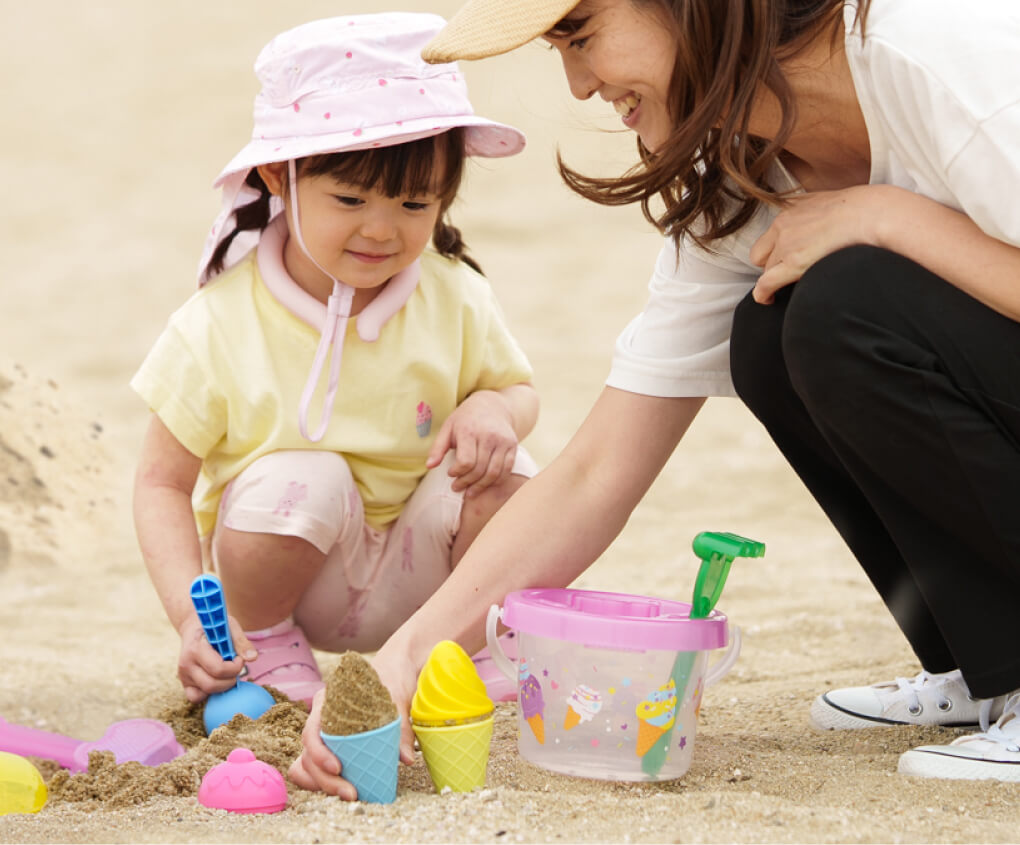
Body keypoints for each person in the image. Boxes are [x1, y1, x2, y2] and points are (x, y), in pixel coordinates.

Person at [290, 0, 1020, 794]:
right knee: (771, 331)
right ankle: (991, 664)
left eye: (582, 35)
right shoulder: (735, 174)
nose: (578, 84)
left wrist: (890, 217)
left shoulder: (935, 53)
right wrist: (403, 657)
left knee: (847, 306)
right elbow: (598, 467)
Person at [131, 13, 539, 716]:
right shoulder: (219, 322)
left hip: (431, 578)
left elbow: (518, 389)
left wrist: (494, 407)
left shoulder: (454, 294)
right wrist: (191, 618)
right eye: (349, 198)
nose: (381, 229)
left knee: (512, 472)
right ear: (279, 177)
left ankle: (468, 645)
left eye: (415, 203)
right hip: (291, 581)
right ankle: (266, 648)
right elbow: (161, 483)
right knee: (303, 477)